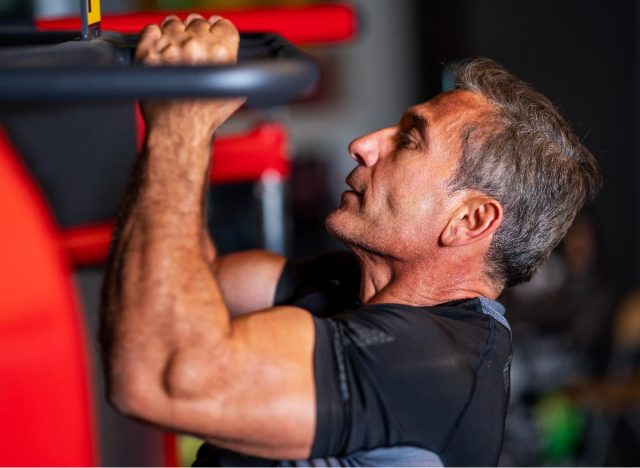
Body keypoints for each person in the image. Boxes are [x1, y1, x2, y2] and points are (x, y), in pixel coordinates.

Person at [100, 14, 602, 467]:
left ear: (469, 221)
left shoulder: (436, 364)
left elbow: (158, 372)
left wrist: (181, 128)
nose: (362, 146)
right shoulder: (347, 282)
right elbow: (169, 286)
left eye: (408, 140)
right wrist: (185, 120)